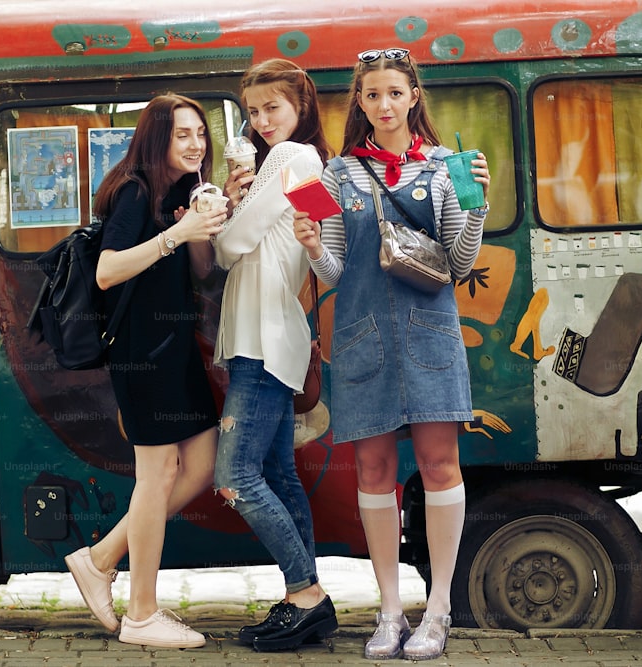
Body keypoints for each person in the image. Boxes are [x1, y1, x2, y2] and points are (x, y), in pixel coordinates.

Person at [293, 48, 489, 661]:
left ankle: (438, 610)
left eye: (394, 93)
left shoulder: (447, 166)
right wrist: (307, 244)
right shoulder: (333, 177)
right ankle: (389, 611)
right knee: (375, 473)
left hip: (430, 333)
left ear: (413, 99)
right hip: (361, 336)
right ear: (360, 101)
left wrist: (476, 205)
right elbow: (331, 271)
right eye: (371, 94)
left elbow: (458, 265)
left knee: (439, 468)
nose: (383, 105)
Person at [64, 94, 227, 649]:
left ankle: (101, 557)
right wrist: (176, 235)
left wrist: (203, 226)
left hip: (176, 350)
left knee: (201, 464)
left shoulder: (179, 192)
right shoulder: (134, 190)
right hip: (142, 353)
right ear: (157, 138)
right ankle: (141, 614)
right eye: (182, 134)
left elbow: (199, 272)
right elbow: (109, 272)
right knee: (156, 475)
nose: (195, 144)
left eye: (201, 135)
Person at [210, 59, 338, 652]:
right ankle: (302, 601)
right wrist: (243, 198)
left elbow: (229, 248)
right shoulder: (304, 164)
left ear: (300, 108)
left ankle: (307, 594)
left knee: (235, 475)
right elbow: (323, 247)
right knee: (281, 475)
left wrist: (230, 216)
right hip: (273, 333)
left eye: (273, 109)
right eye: (253, 111)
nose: (262, 121)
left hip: (262, 339)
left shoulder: (291, 159)